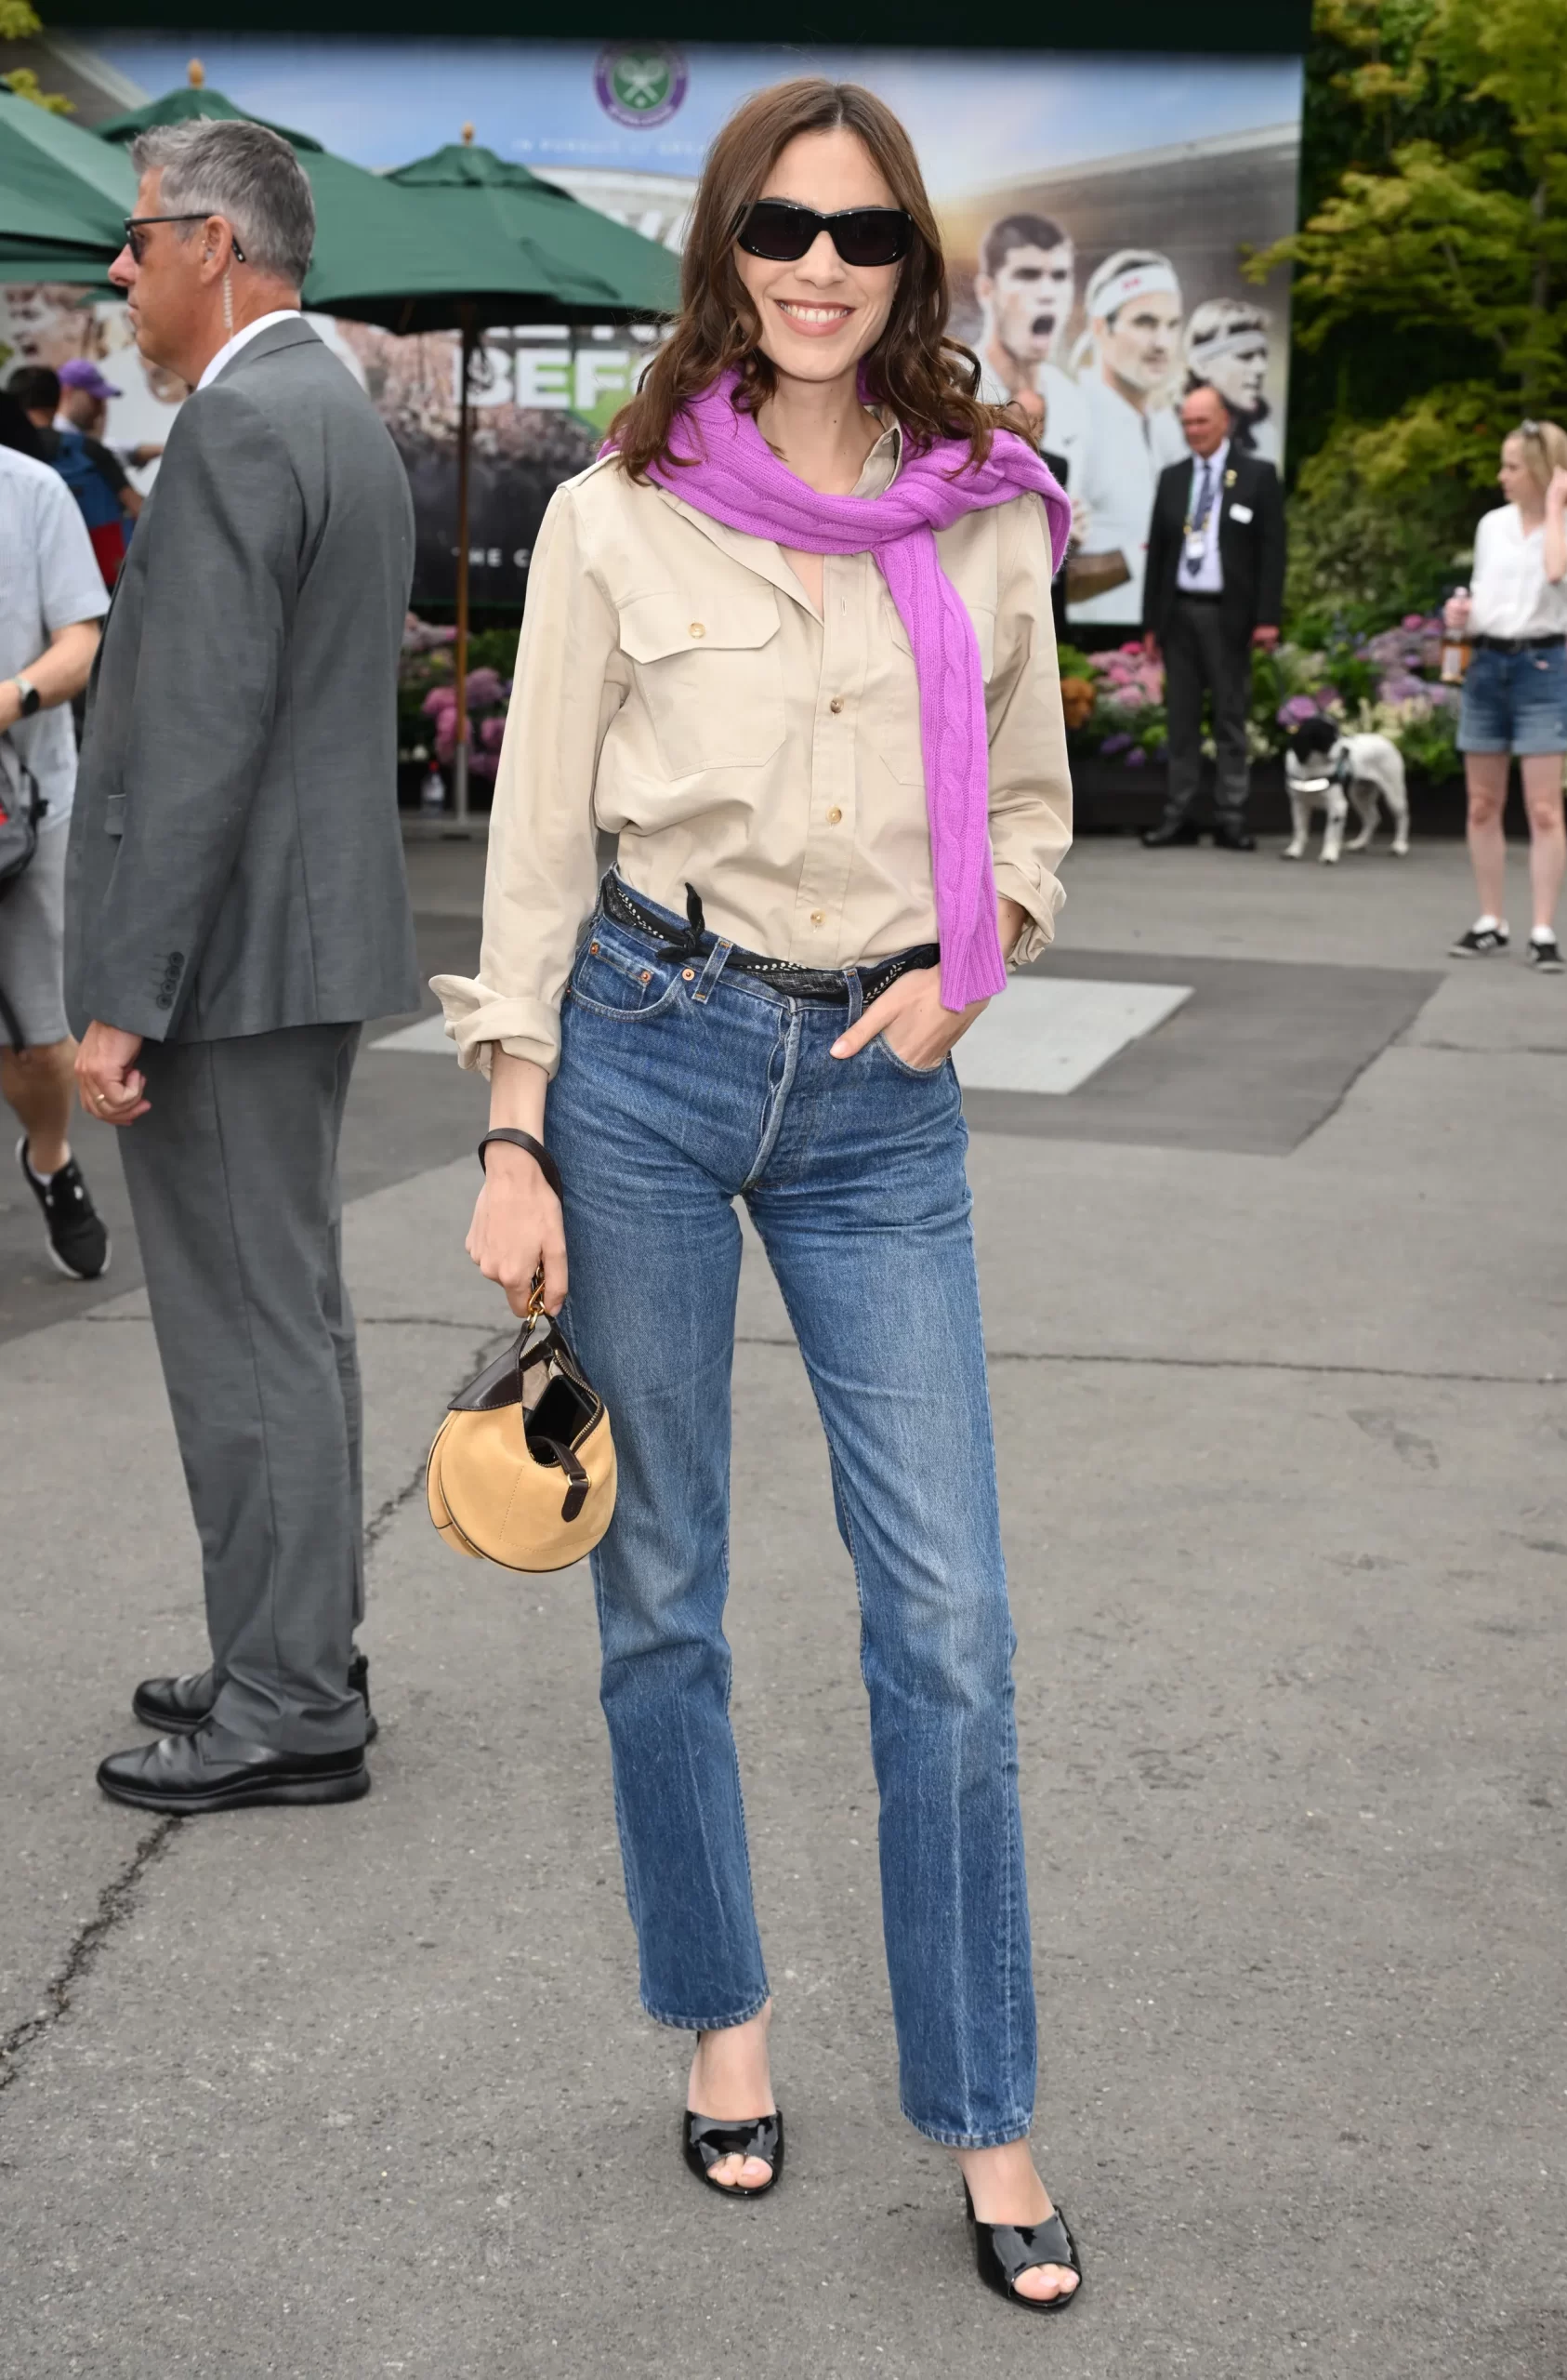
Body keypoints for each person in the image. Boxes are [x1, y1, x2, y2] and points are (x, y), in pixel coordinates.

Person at [433, 76, 1083, 2312]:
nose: (820, 266)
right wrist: (510, 1125)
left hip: (880, 1089)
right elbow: (537, 834)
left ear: (911, 262)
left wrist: (972, 960)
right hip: (641, 1045)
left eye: (863, 232)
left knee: (951, 1620)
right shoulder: (616, 513)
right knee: (667, 1588)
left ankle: (983, 2107)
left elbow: (1025, 805)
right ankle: (720, 2013)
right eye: (781, 227)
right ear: (725, 248)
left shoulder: (984, 513)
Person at [64, 118, 418, 1815]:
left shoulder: (239, 423)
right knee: (292, 1315)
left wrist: (123, 998)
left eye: (138, 239)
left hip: (228, 958)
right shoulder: (329, 406)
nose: (118, 270)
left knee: (243, 1332)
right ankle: (295, 1650)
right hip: (298, 940)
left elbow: (194, 743)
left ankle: (286, 1698)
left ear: (215, 244)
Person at [0, 397, 111, 1280]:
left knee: (39, 1044)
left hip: (27, 810)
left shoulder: (33, 492)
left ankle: (48, 1156)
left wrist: (11, 698)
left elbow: (82, 643)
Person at [1442, 420, 1567, 971]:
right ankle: (1491, 920)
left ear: (1540, 471)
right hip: (1487, 663)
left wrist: (1555, 506)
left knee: (1544, 808)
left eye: (1512, 466)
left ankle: (1543, 928)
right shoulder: (1492, 526)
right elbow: (1487, 594)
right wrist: (1461, 616)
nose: (1501, 476)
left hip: (1541, 667)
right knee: (1482, 803)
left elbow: (1558, 574)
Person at [1139, 382, 1285, 850]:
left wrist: (1267, 617)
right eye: (1187, 423)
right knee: (1180, 721)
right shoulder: (1173, 477)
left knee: (1230, 717)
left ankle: (1231, 815)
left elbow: (1273, 554)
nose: (1194, 430)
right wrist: (1151, 623)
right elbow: (1159, 555)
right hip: (1179, 613)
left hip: (1230, 617)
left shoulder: (1258, 475)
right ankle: (1178, 814)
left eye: (1202, 421)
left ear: (1226, 421)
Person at [1057, 247, 1188, 627]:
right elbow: (1042, 574)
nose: (1162, 343)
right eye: (1145, 323)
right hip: (1088, 647)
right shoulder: (1070, 419)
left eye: (1172, 325)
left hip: (1161, 642)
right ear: (1101, 328)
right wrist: (1153, 553)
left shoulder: (1168, 426)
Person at [7, 364, 141, 587]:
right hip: (105, 579)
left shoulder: (10, 461)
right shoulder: (86, 449)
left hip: (39, 582)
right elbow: (137, 506)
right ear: (58, 398)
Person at [971, 211, 1075, 440]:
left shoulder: (1071, 399)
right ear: (986, 290)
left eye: (1059, 276)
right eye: (1028, 275)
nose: (1048, 293)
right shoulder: (956, 389)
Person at [1183, 298, 1273, 454]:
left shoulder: (1266, 436)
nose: (1261, 368)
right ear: (1202, 365)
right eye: (1245, 355)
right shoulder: (1166, 434)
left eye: (1263, 356)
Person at [57, 355, 165, 470]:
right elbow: (103, 454)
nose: (100, 408)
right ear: (68, 392)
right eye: (95, 399)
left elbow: (111, 449)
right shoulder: (59, 439)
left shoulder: (77, 435)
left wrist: (161, 449)